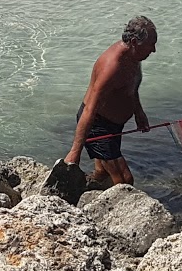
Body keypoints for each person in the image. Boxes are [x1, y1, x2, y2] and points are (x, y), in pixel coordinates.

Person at [64, 16, 156, 188]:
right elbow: (90, 109)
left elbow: (131, 87)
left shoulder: (134, 56)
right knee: (124, 181)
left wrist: (138, 112)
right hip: (98, 127)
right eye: (151, 44)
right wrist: (75, 152)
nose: (154, 50)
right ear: (135, 41)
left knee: (102, 173)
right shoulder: (112, 67)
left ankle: (87, 195)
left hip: (114, 126)